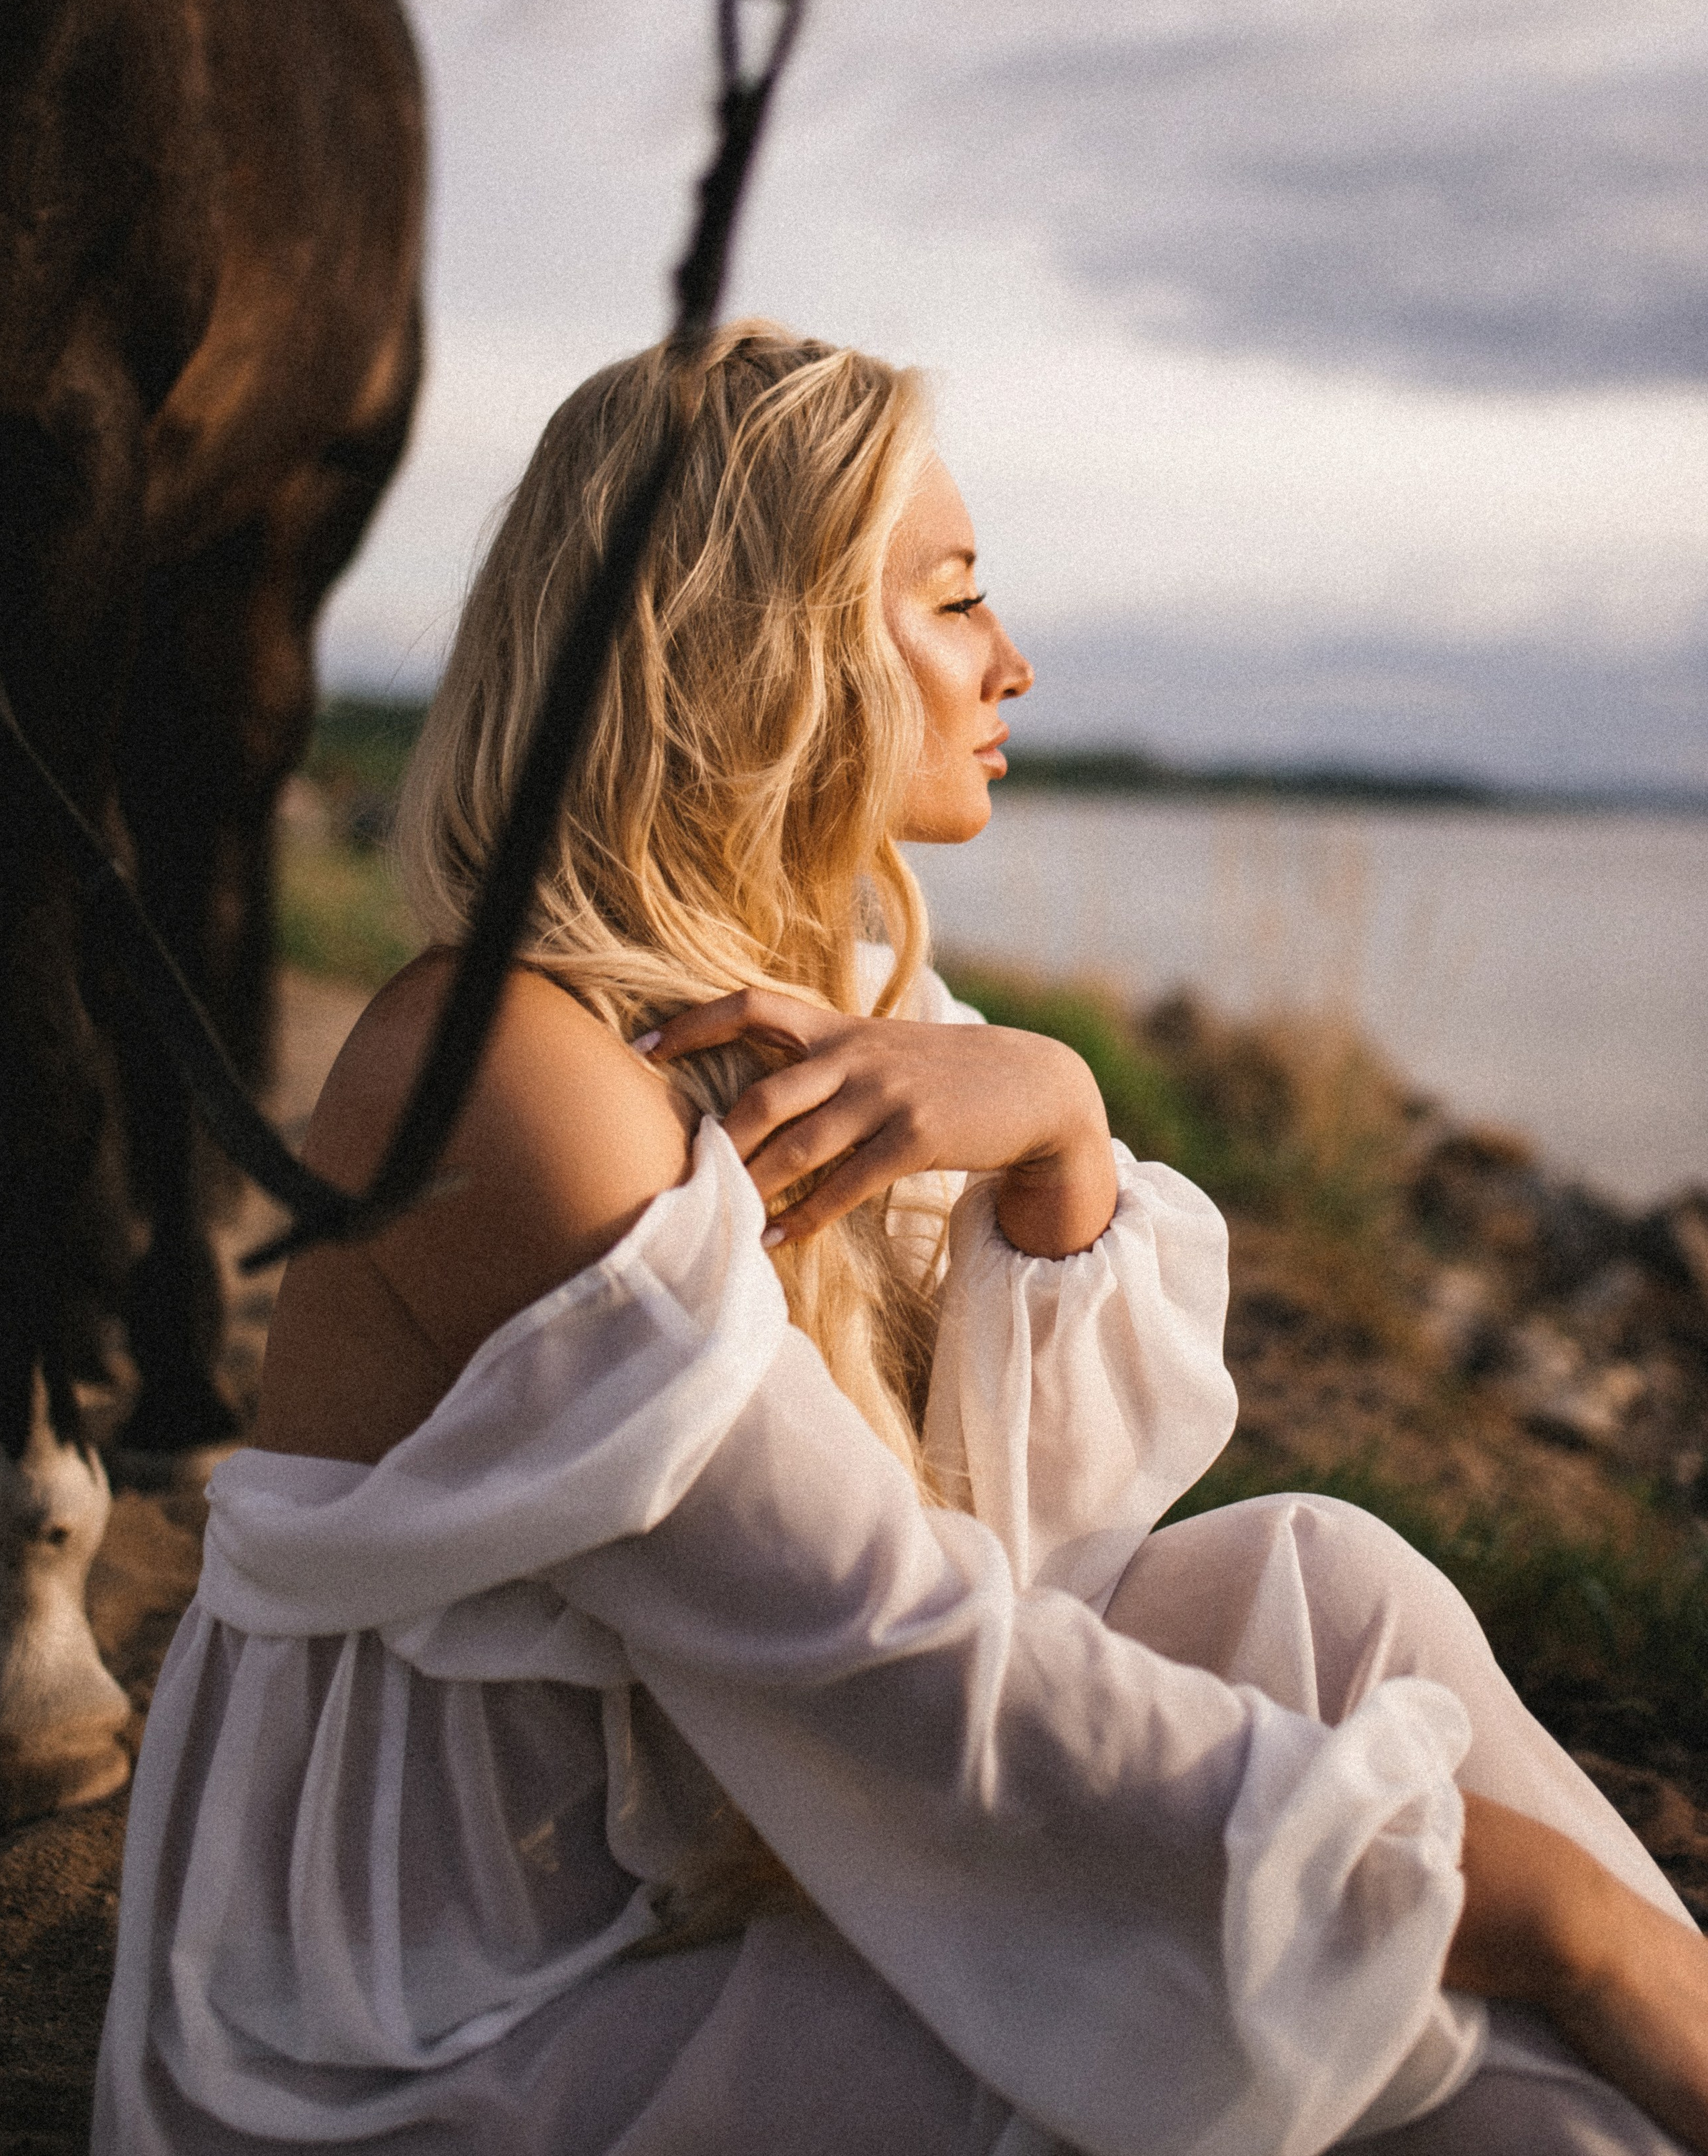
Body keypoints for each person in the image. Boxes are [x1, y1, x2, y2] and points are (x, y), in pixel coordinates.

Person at [94, 321, 1708, 2156]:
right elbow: (906, 1668)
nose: (1011, 663)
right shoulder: (499, 1073)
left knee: (1323, 1582)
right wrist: (1553, 1922)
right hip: (446, 2024)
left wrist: (1062, 1140)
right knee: (1369, 2023)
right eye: (952, 602)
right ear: (763, 646)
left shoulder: (827, 1007)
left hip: (689, 1873)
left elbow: (1039, 1535)